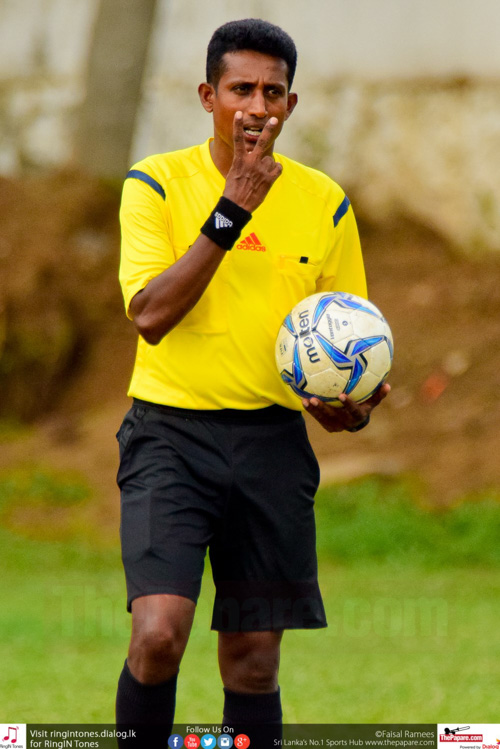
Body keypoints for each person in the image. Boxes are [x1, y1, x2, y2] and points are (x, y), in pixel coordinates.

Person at [115, 17, 390, 746]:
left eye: (273, 92)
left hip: (272, 445)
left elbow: (346, 343)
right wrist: (233, 206)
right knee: (158, 633)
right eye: (241, 89)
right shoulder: (155, 183)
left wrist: (351, 408)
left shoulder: (325, 202)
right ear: (209, 96)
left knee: (254, 659)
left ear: (291, 105)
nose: (257, 107)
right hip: (169, 436)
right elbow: (149, 316)